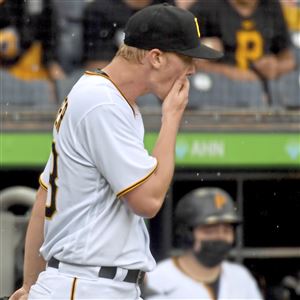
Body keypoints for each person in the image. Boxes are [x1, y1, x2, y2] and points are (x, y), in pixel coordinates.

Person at [9, 3, 222, 300]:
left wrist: (31, 283)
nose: (193, 69)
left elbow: (44, 197)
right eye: (186, 58)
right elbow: (148, 200)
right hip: (87, 284)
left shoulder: (109, 99)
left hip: (91, 283)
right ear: (156, 57)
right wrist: (171, 118)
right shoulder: (102, 102)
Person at [144, 187, 264, 299]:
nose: (220, 237)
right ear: (186, 234)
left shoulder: (241, 278)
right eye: (210, 230)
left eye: (227, 230)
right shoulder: (156, 279)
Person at [189, 0, 296, 82]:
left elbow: (288, 59)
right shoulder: (207, 6)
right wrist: (231, 73)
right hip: (218, 91)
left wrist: (275, 66)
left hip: (261, 93)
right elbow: (184, 59)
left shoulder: (272, 6)